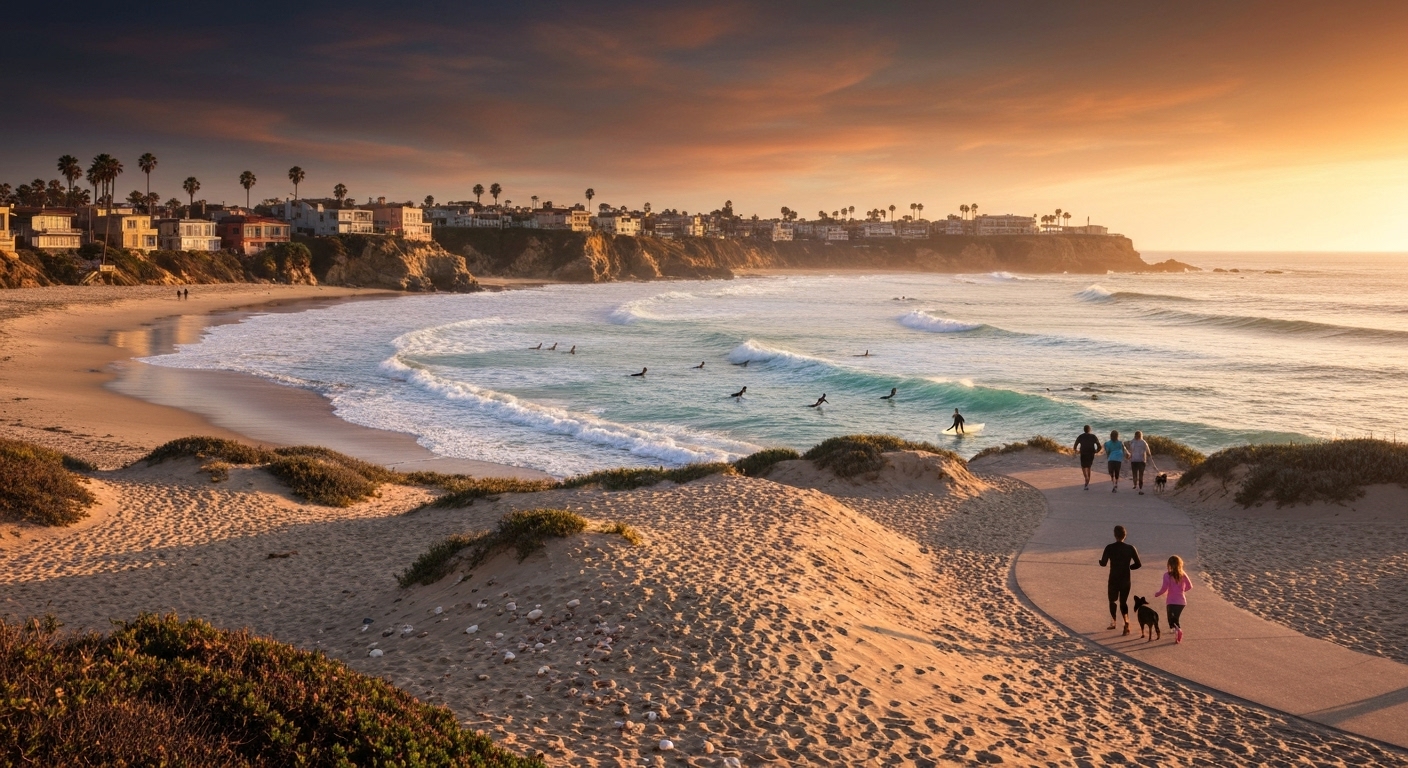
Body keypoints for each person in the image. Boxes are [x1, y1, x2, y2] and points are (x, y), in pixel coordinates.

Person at [1099, 525, 1142, 635]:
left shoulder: (1109, 547)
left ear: (1114, 535)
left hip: (1113, 578)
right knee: (1123, 601)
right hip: (1126, 578)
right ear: (1125, 535)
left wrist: (1100, 562)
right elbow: (1138, 564)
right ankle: (1126, 621)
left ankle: (1113, 622)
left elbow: (1103, 563)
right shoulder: (1130, 548)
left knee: (1112, 600)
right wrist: (1129, 567)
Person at [1154, 555, 1193, 644]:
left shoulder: (1167, 575)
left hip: (1171, 601)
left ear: (1169, 564)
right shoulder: (1183, 574)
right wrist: (1182, 591)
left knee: (1171, 619)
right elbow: (1190, 586)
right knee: (1176, 618)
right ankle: (1175, 631)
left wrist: (1157, 594)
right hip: (1182, 601)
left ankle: (1177, 630)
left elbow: (1164, 588)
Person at [1073, 425, 1102, 490]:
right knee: (1089, 467)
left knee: (1083, 467)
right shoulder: (1093, 436)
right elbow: (1099, 446)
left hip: (1083, 453)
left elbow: (1075, 446)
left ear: (1084, 430)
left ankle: (1086, 478)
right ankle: (1087, 483)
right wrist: (1096, 451)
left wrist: (1077, 451)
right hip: (1091, 453)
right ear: (1089, 429)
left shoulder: (1080, 436)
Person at [1128, 430, 1151, 494]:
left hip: (1134, 460)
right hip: (1141, 460)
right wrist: (1149, 455)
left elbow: (1131, 450)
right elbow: (1148, 451)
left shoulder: (1132, 442)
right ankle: (1140, 487)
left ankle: (1135, 485)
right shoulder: (1143, 442)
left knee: (1134, 474)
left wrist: (1129, 456)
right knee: (1141, 475)